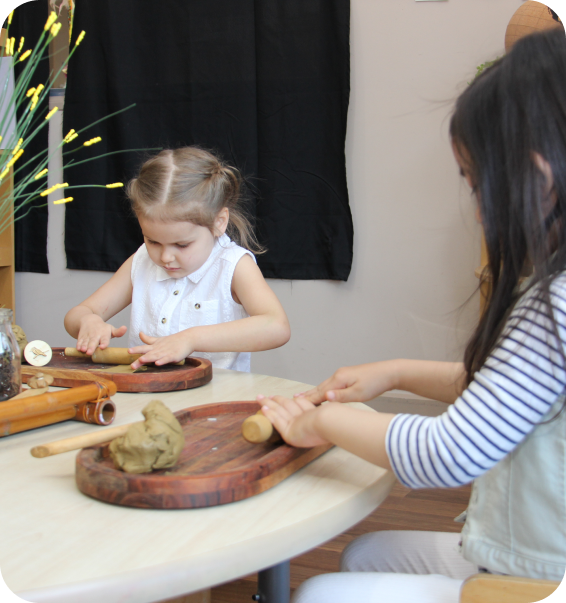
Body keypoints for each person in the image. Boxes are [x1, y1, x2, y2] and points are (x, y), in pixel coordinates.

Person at [259, 28, 566, 603]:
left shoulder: (557, 304)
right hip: (539, 549)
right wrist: (397, 372)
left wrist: (319, 422)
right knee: (364, 555)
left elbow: (449, 452)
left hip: (541, 574)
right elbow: (508, 394)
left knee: (319, 594)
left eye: (477, 186)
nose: (478, 213)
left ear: (540, 180)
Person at [65, 146, 290, 371]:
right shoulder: (142, 260)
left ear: (219, 222)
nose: (165, 257)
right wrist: (88, 322)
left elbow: (277, 327)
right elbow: (78, 314)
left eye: (182, 245)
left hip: (215, 398)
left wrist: (191, 339)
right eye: (153, 241)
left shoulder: (233, 266)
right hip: (144, 392)